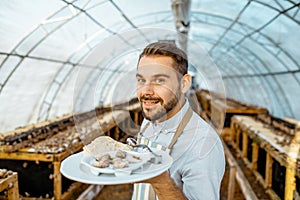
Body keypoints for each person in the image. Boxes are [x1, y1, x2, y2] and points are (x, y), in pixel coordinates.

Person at [132, 41, 225, 200]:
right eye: (141, 80)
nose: (146, 91)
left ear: (184, 84)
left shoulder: (202, 143)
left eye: (159, 80)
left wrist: (161, 182)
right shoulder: (149, 121)